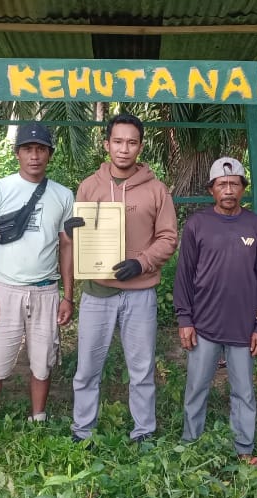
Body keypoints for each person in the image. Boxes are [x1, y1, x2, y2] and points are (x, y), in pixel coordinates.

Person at [67, 114, 178, 443]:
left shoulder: (158, 190)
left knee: (141, 368)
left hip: (140, 293)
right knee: (87, 366)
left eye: (131, 142)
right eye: (118, 141)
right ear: (107, 145)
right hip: (97, 292)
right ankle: (82, 430)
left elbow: (169, 238)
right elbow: (78, 237)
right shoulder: (89, 186)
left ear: (140, 147)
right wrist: (72, 231)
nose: (124, 149)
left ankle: (143, 431)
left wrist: (141, 262)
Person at [0, 122, 75, 427]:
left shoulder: (63, 195)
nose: (34, 156)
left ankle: (38, 419)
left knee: (43, 362)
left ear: (49, 154)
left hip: (46, 290)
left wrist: (68, 296)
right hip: (5, 289)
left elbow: (66, 247)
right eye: (28, 149)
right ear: (18, 153)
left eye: (41, 149)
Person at [175, 158, 257, 464]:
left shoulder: (256, 226)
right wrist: (184, 319)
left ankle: (244, 447)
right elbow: (184, 276)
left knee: (244, 392)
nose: (228, 190)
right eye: (221, 184)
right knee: (196, 388)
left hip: (243, 328)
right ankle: (191, 445)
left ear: (243, 188)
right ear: (211, 190)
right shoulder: (197, 225)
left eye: (234, 184)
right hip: (203, 324)